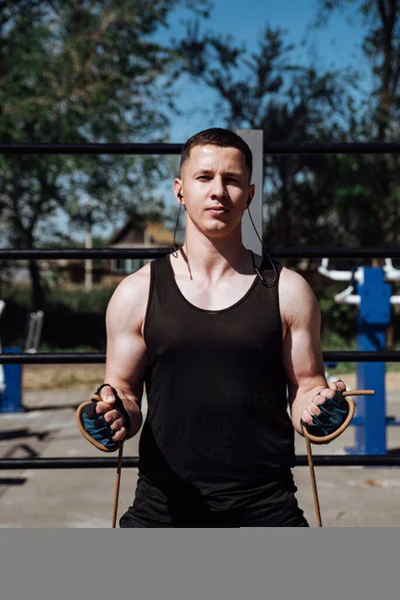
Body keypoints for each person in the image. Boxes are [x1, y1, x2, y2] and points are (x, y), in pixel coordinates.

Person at [78, 128, 348, 527]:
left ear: (250, 195)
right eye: (204, 178)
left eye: (232, 179)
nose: (218, 191)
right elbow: (124, 392)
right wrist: (112, 414)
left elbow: (307, 385)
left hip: (266, 505)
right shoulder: (135, 292)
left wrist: (319, 409)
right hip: (164, 506)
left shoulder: (289, 290)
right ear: (180, 190)